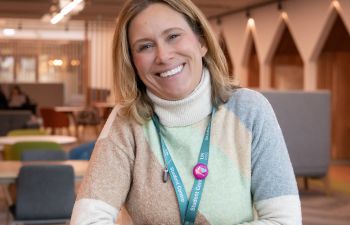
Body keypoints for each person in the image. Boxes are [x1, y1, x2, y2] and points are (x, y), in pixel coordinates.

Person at [71, 0, 302, 224]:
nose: (163, 56)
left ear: (201, 42)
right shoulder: (127, 121)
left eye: (173, 36)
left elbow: (284, 220)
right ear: (132, 61)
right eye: (145, 46)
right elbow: (87, 219)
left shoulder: (249, 110)